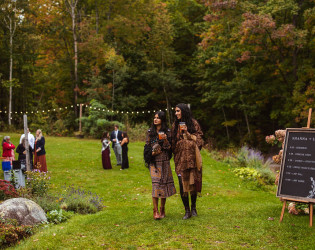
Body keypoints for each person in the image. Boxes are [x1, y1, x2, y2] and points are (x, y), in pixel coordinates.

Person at [172, 103, 203, 220]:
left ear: (184, 111)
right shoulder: (175, 125)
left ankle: (194, 207)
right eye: (175, 111)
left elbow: (200, 140)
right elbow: (172, 142)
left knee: (192, 183)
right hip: (180, 159)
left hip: (192, 159)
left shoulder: (194, 123)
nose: (176, 113)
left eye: (178, 111)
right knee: (182, 184)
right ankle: (187, 210)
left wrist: (187, 133)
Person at [145, 111, 176, 220]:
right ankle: (155, 211)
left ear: (162, 119)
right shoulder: (150, 132)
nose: (155, 119)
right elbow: (146, 147)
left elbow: (170, 148)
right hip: (154, 162)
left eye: (158, 118)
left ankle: (162, 208)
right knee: (156, 185)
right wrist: (152, 153)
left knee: (163, 185)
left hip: (164, 161)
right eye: (154, 117)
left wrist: (166, 140)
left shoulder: (167, 131)